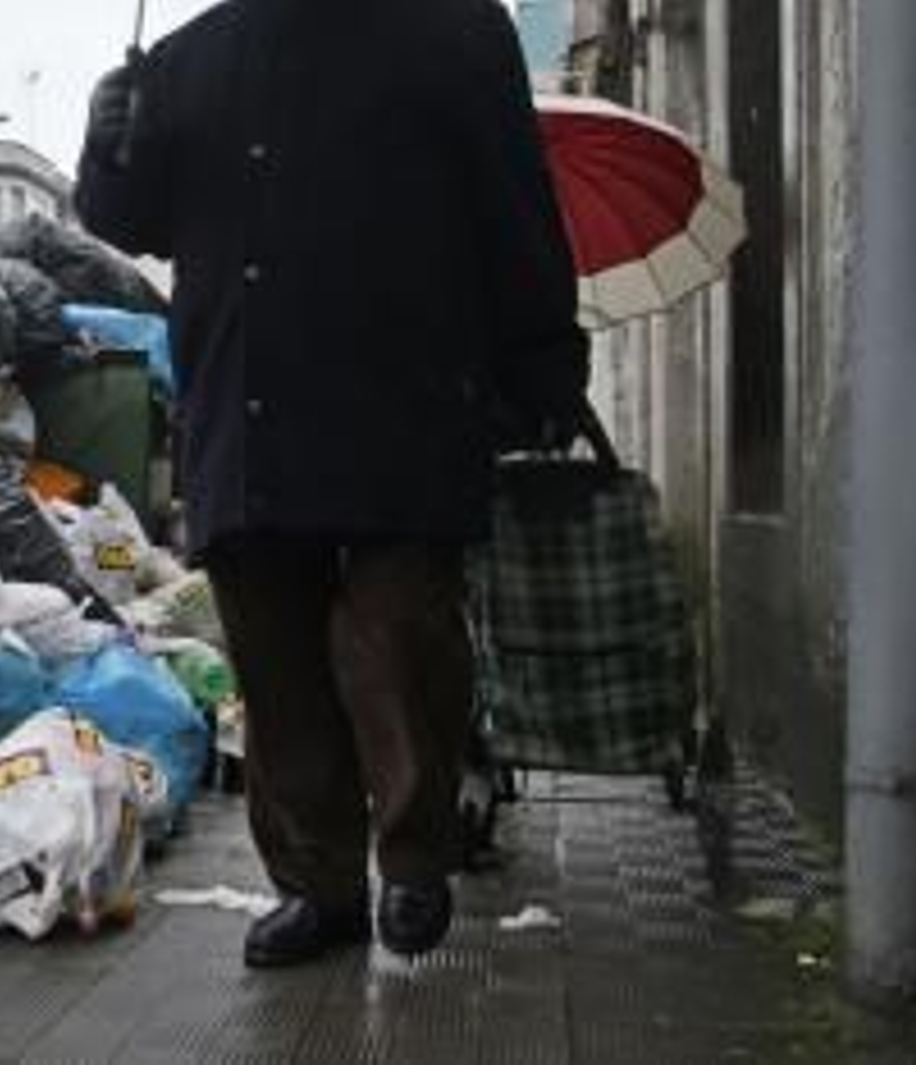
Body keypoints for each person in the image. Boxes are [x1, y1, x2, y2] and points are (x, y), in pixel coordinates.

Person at [75, 0, 590, 968]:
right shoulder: (190, 57)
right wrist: (108, 146)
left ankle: (414, 855)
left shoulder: (455, 33)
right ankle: (318, 889)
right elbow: (129, 217)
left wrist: (543, 364)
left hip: (409, 394)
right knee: (277, 668)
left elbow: (516, 203)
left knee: (397, 627)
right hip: (249, 397)